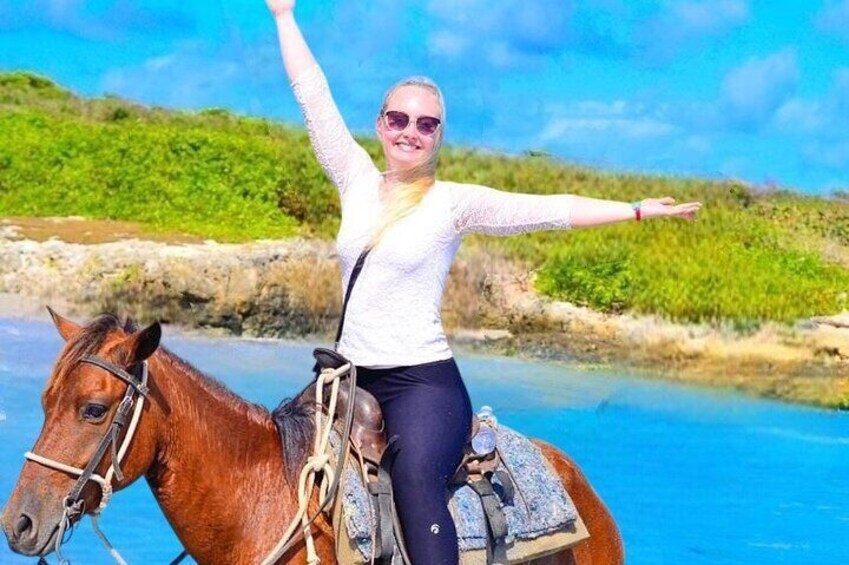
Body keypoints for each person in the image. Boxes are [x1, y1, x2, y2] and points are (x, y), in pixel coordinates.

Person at [264, 1, 701, 563]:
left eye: (426, 124)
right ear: (380, 123)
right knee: (270, 457)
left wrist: (635, 210)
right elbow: (313, 96)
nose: (410, 132)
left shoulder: (453, 203)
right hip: (346, 382)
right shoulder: (354, 179)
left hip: (422, 384)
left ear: (439, 135)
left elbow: (547, 209)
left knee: (417, 482)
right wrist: (283, 18)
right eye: (398, 119)